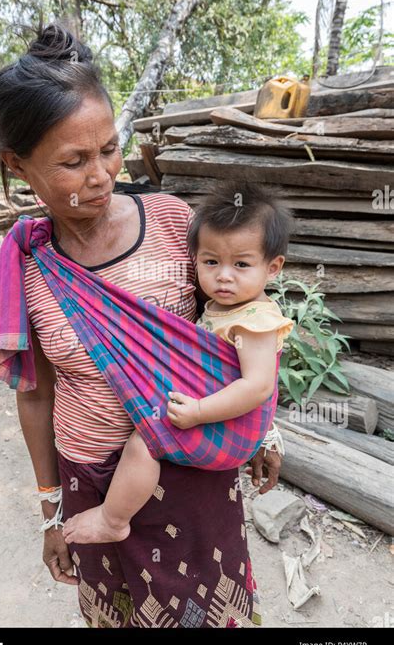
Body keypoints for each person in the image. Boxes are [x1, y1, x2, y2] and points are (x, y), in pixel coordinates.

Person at [0, 21, 284, 629]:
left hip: (191, 464)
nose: (100, 175)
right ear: (17, 164)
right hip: (93, 482)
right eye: (72, 161)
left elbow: (232, 337)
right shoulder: (26, 261)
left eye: (109, 149)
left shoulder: (177, 226)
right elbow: (36, 393)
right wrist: (51, 511)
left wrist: (265, 432)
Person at [62, 180, 293, 546]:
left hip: (227, 425)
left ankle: (113, 519)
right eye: (211, 261)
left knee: (143, 442)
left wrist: (200, 410)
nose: (224, 276)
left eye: (242, 264)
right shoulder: (228, 307)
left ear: (273, 267)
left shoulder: (255, 321)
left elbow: (258, 385)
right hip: (219, 414)